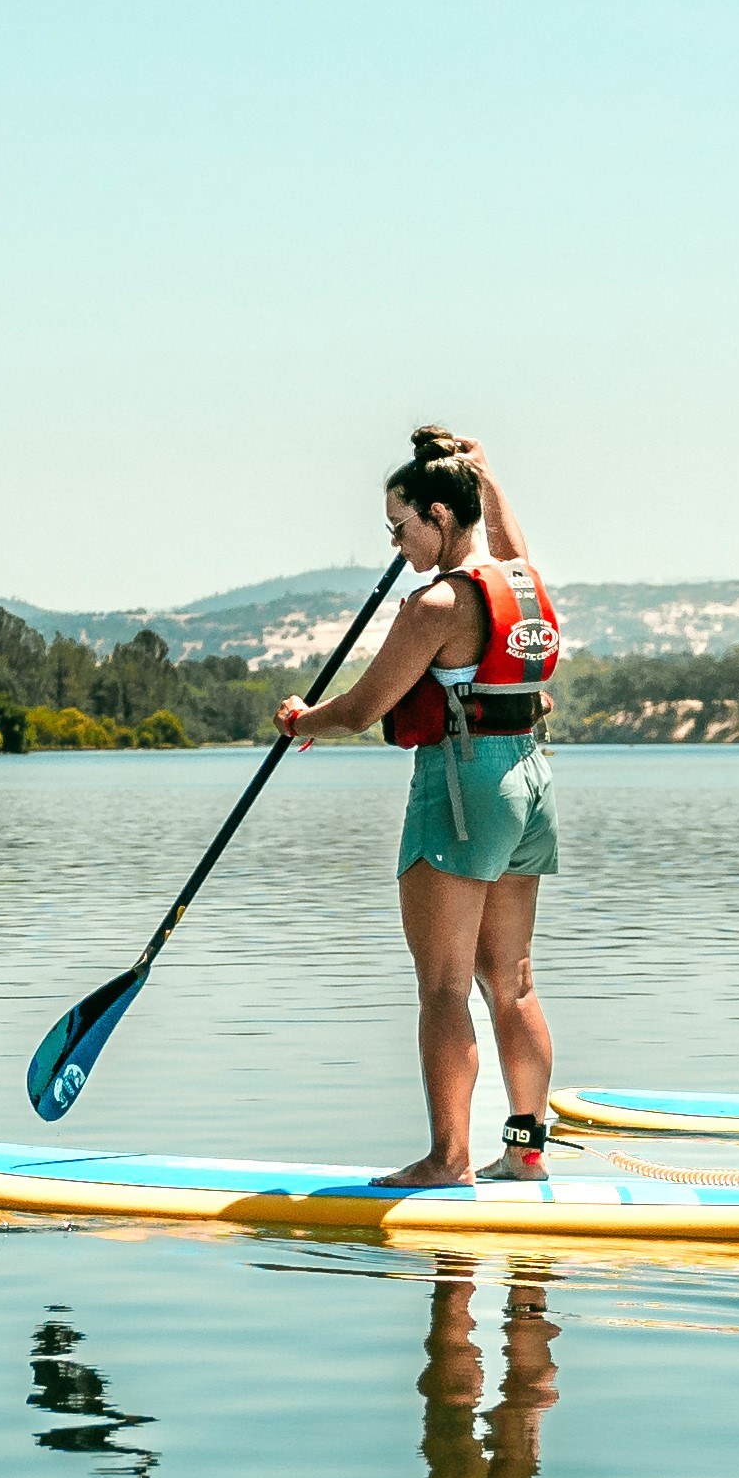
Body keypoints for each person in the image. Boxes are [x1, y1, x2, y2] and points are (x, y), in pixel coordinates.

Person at [279, 424, 564, 1184]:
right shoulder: (523, 580)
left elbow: (367, 706)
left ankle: (448, 1159)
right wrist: (486, 469)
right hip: (530, 781)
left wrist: (302, 718)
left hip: (463, 785)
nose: (396, 545)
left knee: (443, 984)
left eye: (401, 527)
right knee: (513, 979)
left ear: (440, 516)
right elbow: (505, 535)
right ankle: (525, 1152)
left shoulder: (435, 605)